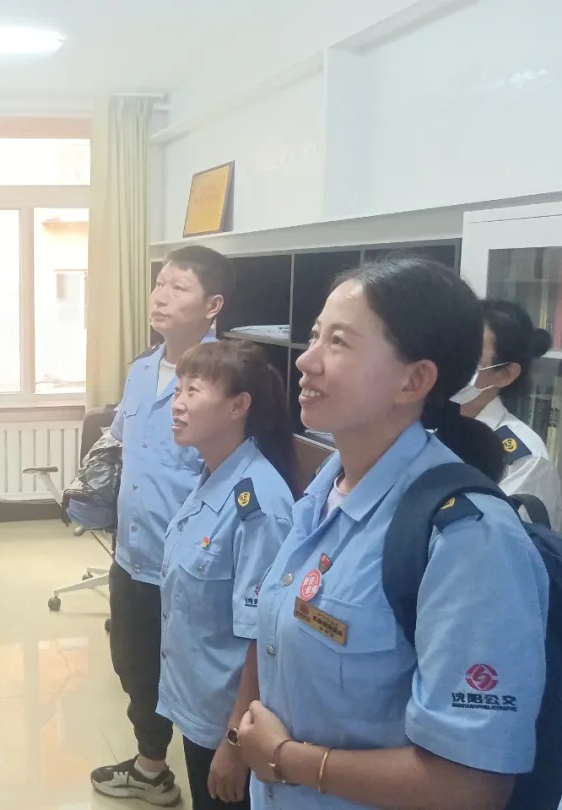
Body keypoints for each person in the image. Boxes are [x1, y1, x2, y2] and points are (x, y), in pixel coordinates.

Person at [234, 256, 548, 809]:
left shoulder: (468, 538)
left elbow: (470, 785)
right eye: (315, 335)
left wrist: (287, 759)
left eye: (338, 342)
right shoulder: (327, 485)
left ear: (414, 380)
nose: (306, 359)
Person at [91, 244, 234, 806]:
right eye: (159, 284)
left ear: (212, 305)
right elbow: (121, 443)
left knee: (197, 680)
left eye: (179, 287)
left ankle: (219, 782)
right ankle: (151, 767)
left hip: (191, 567)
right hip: (132, 555)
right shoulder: (142, 369)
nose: (160, 296)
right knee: (134, 666)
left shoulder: (227, 377)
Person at [157, 340, 296, 810]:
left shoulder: (259, 505)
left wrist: (235, 742)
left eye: (193, 391)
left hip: (230, 722)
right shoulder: (213, 476)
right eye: (178, 389)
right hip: (200, 705)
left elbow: (264, 636)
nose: (177, 403)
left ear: (238, 406)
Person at [454, 298, 562, 527]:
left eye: (469, 357)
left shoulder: (525, 460)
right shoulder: (418, 425)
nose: (451, 364)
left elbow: (501, 540)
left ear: (505, 374)